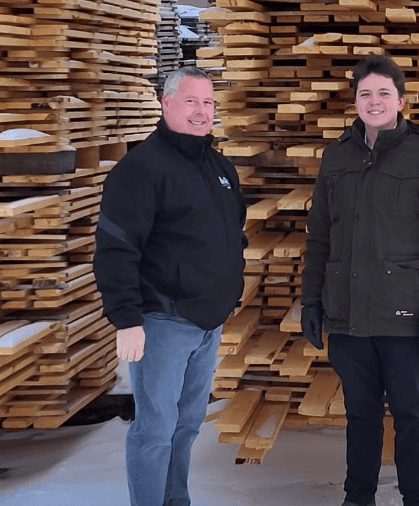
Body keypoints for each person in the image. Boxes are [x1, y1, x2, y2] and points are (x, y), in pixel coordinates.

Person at [301, 54, 419, 506]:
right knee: (360, 415)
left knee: (411, 415)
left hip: (403, 315)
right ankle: (359, 498)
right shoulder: (337, 157)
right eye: (366, 94)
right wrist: (311, 302)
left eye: (383, 94)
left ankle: (416, 498)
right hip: (349, 314)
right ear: (355, 101)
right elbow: (320, 237)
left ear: (401, 101)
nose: (374, 102)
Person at [93, 67, 247, 506]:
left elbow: (232, 229)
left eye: (208, 103)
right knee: (155, 430)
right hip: (162, 321)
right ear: (166, 103)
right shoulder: (141, 169)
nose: (202, 112)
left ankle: (175, 499)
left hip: (207, 322)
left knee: (187, 424)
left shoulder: (218, 165)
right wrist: (127, 320)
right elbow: (116, 247)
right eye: (191, 102)